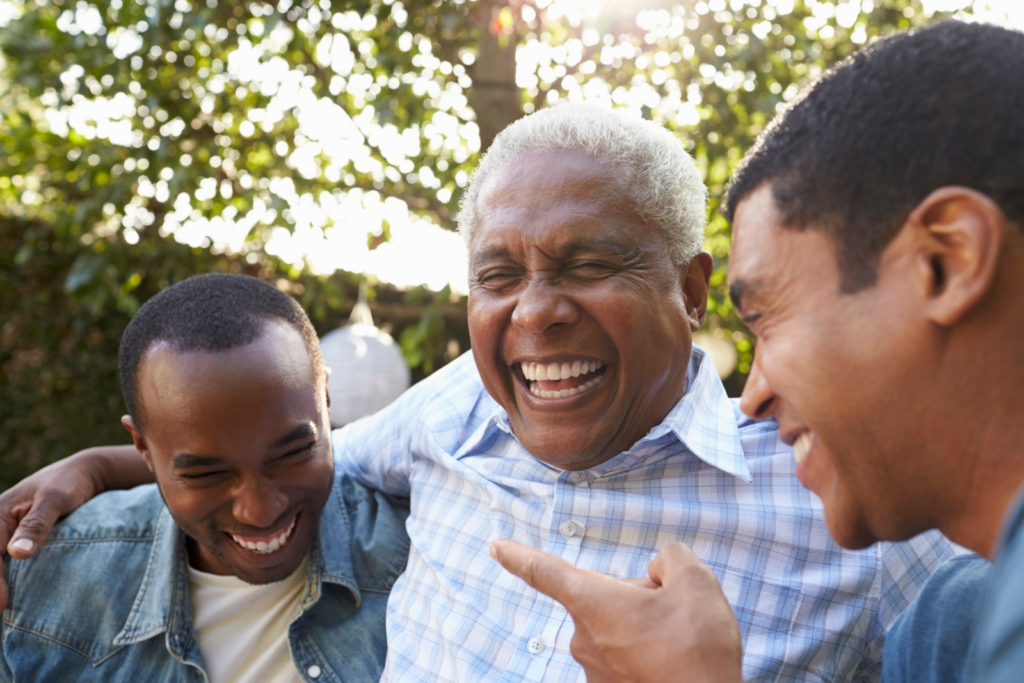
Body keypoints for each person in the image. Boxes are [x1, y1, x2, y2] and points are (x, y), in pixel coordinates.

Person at [2, 105, 959, 681]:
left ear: (692, 288)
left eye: (589, 263)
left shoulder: (853, 504)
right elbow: (290, 457)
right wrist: (97, 468)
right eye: (499, 275)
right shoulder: (455, 406)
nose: (535, 312)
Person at [490, 19, 1023, 683]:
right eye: (498, 276)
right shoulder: (950, 625)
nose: (754, 395)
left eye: (766, 317)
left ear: (947, 262)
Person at [1, 274, 410, 682]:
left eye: (293, 454)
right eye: (206, 474)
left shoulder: (418, 557)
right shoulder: (35, 587)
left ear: (326, 399)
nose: (260, 511)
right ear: (142, 447)